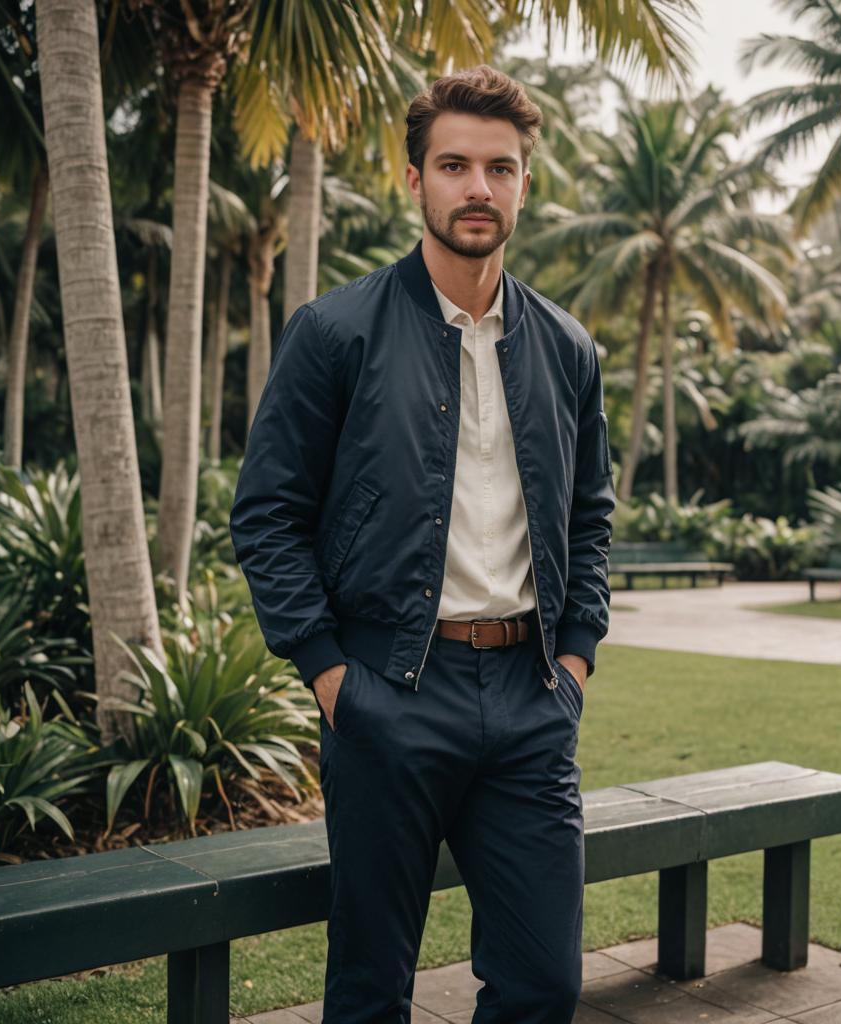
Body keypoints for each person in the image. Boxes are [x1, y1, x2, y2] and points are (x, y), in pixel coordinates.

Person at [230, 64, 615, 1024]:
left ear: (527, 182)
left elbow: (592, 515)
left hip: (530, 703)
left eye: (500, 167)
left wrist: (573, 659)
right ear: (416, 181)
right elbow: (267, 513)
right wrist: (328, 674)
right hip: (386, 696)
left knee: (543, 986)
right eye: (454, 165)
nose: (477, 188)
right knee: (370, 994)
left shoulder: (568, 347)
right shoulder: (333, 333)